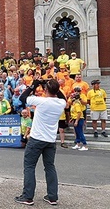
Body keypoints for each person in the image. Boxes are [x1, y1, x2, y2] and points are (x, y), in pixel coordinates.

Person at [15, 78, 66, 206]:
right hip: (50, 140)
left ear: (45, 90)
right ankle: (52, 196)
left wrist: (34, 85)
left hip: (37, 138)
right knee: (50, 167)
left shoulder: (41, 101)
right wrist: (51, 85)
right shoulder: (61, 103)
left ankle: (28, 196)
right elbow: (62, 96)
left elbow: (22, 97)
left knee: (29, 166)